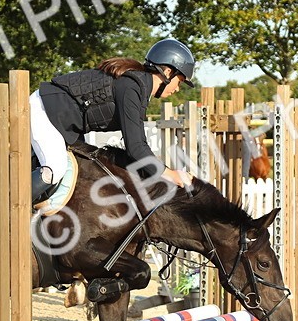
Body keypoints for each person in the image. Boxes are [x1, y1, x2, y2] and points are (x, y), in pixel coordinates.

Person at [30, 38, 195, 204]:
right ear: (167, 72)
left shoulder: (138, 87)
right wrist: (170, 174)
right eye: (179, 81)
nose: (177, 89)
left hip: (63, 122)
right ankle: (8, 206)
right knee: (55, 170)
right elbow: (136, 147)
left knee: (84, 172)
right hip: (45, 111)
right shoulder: (132, 87)